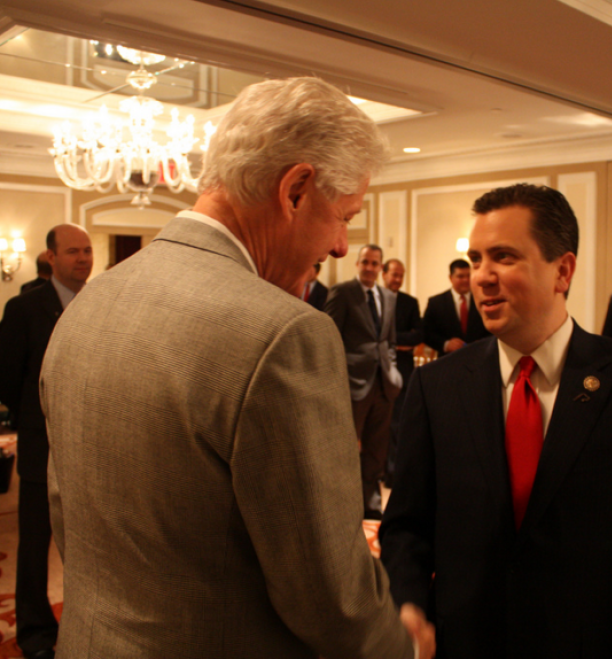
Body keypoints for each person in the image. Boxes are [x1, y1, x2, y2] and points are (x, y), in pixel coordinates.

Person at [40, 78, 433, 659]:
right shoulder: (284, 334)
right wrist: (400, 649)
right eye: (343, 216)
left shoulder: (90, 302)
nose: (343, 247)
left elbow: (69, 523)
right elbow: (330, 596)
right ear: (295, 189)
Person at [380, 183, 612, 659]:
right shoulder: (438, 388)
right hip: (464, 642)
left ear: (562, 270)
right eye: (477, 259)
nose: (482, 276)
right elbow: (406, 526)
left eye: (504, 257)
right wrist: (408, 605)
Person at [0, 224, 93, 659]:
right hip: (42, 445)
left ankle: (85, 622)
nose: (83, 258)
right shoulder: (25, 308)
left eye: (88, 250)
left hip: (90, 445)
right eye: (73, 251)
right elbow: (6, 377)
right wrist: (34, 417)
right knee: (36, 545)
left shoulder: (100, 302)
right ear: (51, 258)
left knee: (89, 543)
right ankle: (36, 634)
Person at [325, 245, 402, 519]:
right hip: (352, 382)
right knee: (344, 447)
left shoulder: (388, 297)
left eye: (375, 263)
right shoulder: (343, 292)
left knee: (376, 450)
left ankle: (371, 504)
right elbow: (330, 338)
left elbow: (389, 340)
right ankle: (341, 505)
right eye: (365, 262)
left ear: (381, 267)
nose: (370, 267)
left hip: (384, 385)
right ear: (357, 264)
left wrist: (391, 367)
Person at [381, 258, 422, 487]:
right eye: (394, 274)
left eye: (401, 275)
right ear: (383, 274)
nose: (397, 279)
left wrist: (388, 340)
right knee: (377, 426)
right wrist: (397, 340)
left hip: (403, 371)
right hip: (375, 372)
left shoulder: (409, 302)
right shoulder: (371, 298)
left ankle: (393, 474)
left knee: (398, 424)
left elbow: (418, 335)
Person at [422, 258, 490, 356]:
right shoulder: (436, 302)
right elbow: (426, 332)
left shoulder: (482, 299)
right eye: (460, 276)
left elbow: (492, 329)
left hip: (479, 357)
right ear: (451, 278)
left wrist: (483, 343)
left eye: (468, 275)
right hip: (448, 360)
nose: (466, 280)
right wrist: (446, 344)